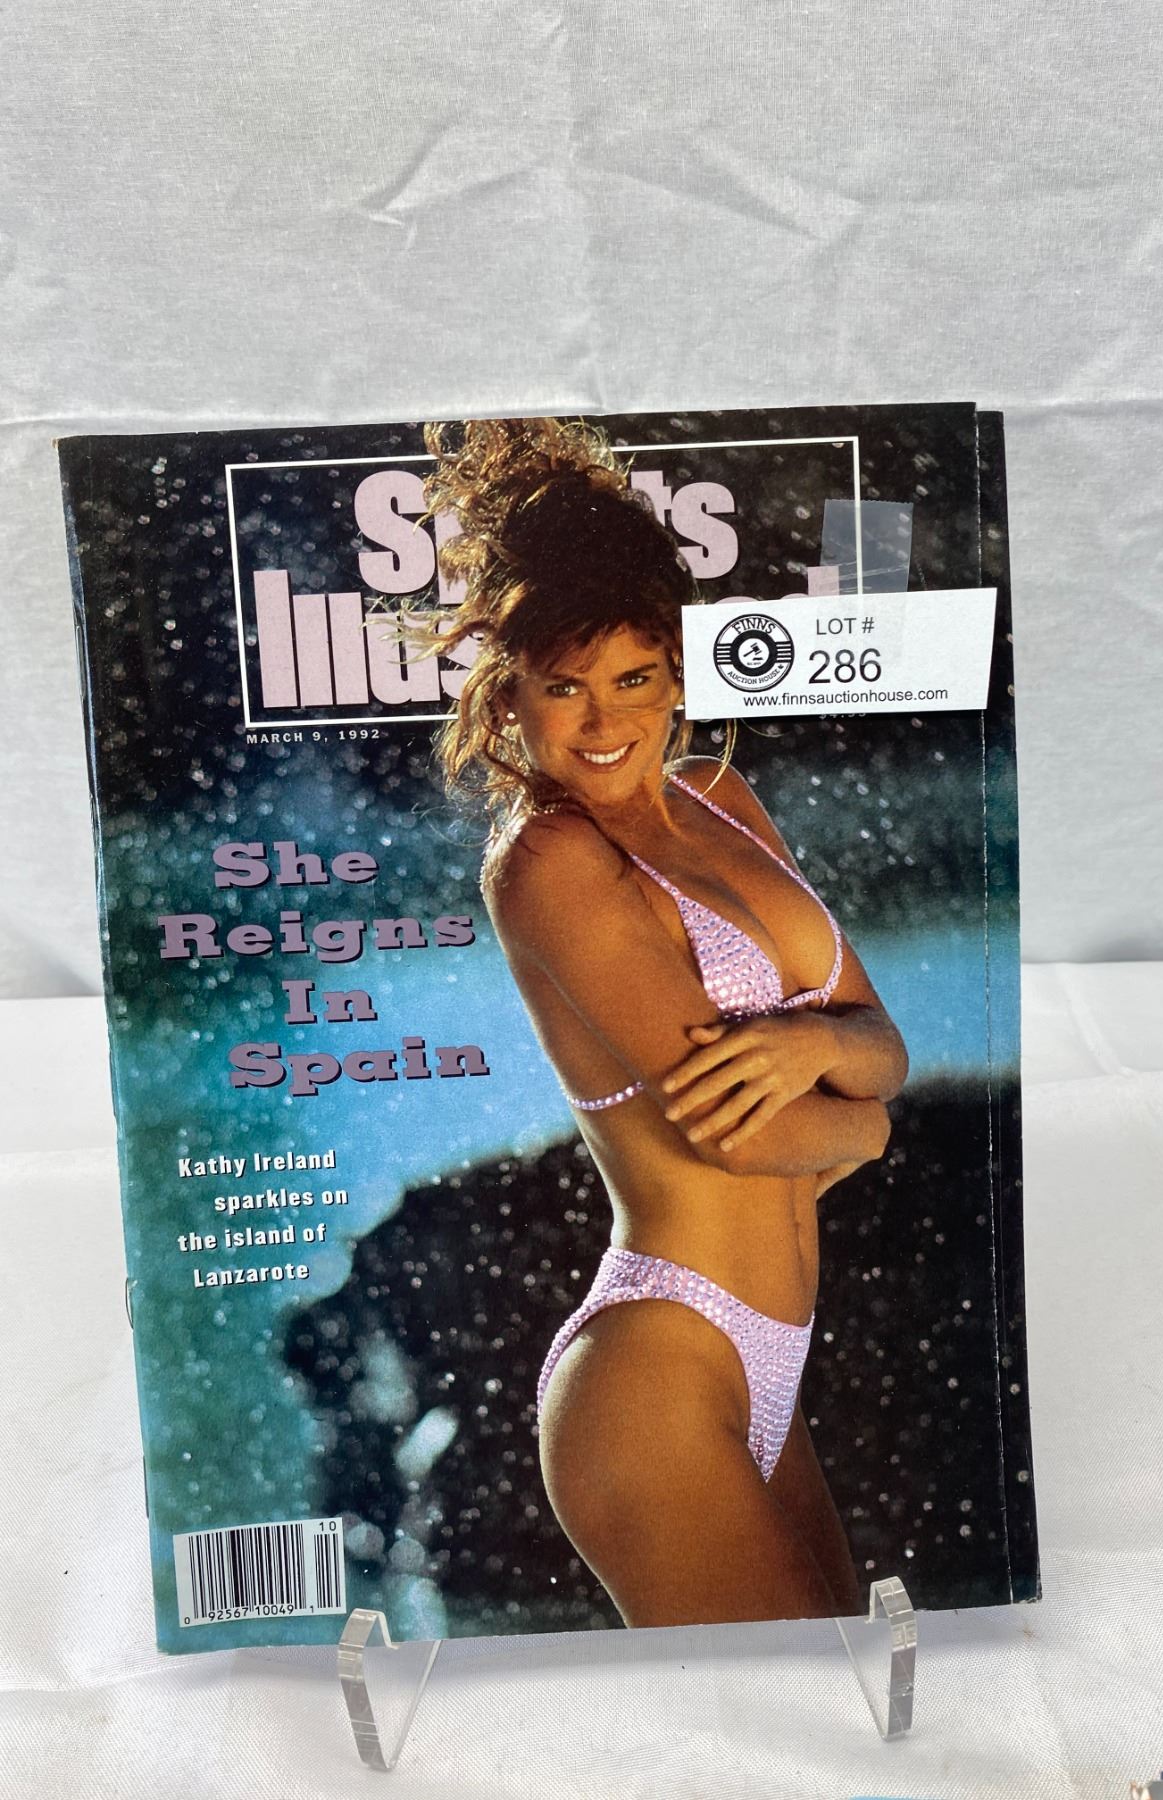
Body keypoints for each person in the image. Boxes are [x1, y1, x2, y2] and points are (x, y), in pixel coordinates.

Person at [420, 416, 907, 1627]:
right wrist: (872, 1126)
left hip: (767, 1364)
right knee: (776, 1715)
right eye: (564, 688)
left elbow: (881, 1042)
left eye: (633, 680)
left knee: (839, 1694)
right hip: (656, 1368)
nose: (602, 725)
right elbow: (739, 1134)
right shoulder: (549, 862)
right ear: (511, 694)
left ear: (678, 674)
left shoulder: (724, 801)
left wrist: (821, 1050)